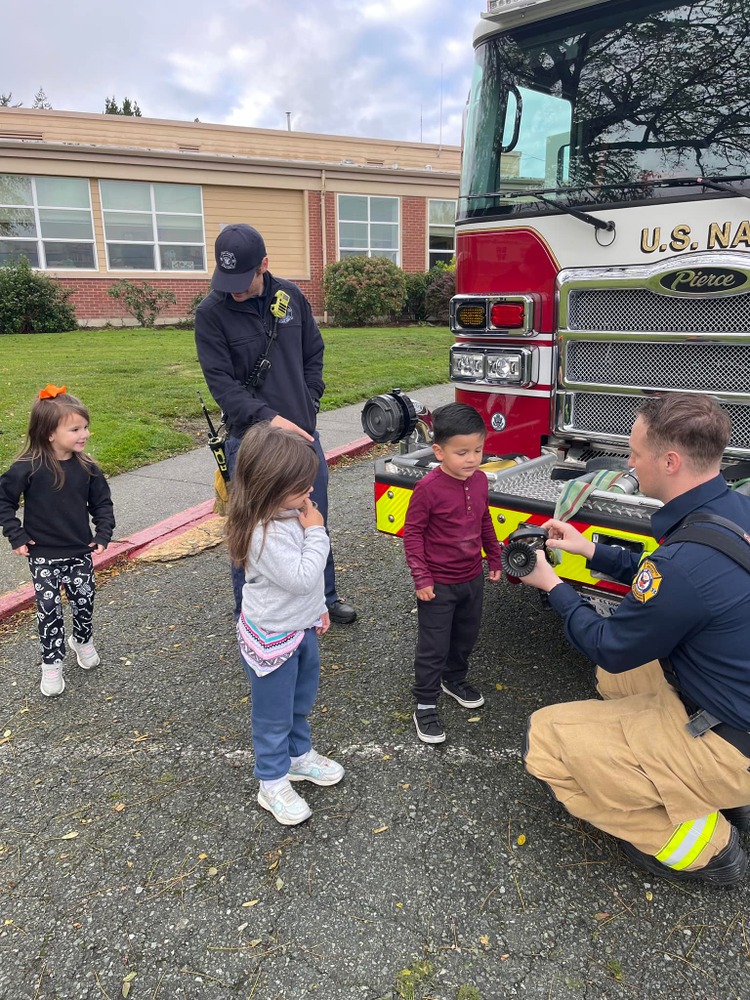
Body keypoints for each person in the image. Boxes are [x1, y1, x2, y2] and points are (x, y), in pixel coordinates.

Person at [519, 392, 750, 886]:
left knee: (546, 740)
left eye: (635, 451)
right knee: (615, 679)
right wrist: (590, 549)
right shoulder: (731, 510)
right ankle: (710, 783)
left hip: (732, 739)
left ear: (670, 461)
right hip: (734, 698)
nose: (629, 461)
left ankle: (708, 847)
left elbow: (608, 641)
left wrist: (553, 586)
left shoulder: (683, 562)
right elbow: (672, 589)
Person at [194, 223, 356, 625]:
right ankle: (247, 614)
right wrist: (269, 418)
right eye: (225, 278)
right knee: (249, 529)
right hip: (250, 443)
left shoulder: (291, 297)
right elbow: (222, 386)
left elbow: (313, 352)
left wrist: (310, 400)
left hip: (302, 436)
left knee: (312, 517)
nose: (232, 288)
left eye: (242, 278)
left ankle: (324, 599)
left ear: (264, 265)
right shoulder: (210, 314)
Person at [225, 422, 345, 826]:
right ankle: (271, 780)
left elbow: (304, 590)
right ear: (268, 489)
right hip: (273, 638)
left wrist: (317, 610)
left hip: (300, 628)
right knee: (272, 715)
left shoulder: (290, 512)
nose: (309, 494)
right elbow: (299, 576)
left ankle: (298, 756)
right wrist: (317, 532)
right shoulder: (263, 533)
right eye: (300, 488)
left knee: (300, 701)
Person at [0, 385, 115, 697]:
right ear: (49, 433)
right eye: (75, 429)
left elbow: (102, 504)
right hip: (43, 554)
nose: (85, 434)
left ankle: (82, 640)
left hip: (79, 552)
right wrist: (16, 534)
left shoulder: (88, 468)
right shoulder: (27, 467)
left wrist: (103, 533)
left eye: (86, 427)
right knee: (48, 608)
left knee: (83, 600)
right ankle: (51, 663)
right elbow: (4, 501)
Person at [403, 403, 503, 744]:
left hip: (471, 578)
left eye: (477, 450)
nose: (472, 459)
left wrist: (494, 557)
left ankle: (454, 678)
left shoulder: (479, 481)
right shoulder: (428, 489)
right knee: (434, 644)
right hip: (439, 584)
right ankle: (425, 701)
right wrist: (422, 577)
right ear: (438, 450)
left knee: (466, 635)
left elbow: (484, 520)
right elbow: (413, 533)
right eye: (462, 452)